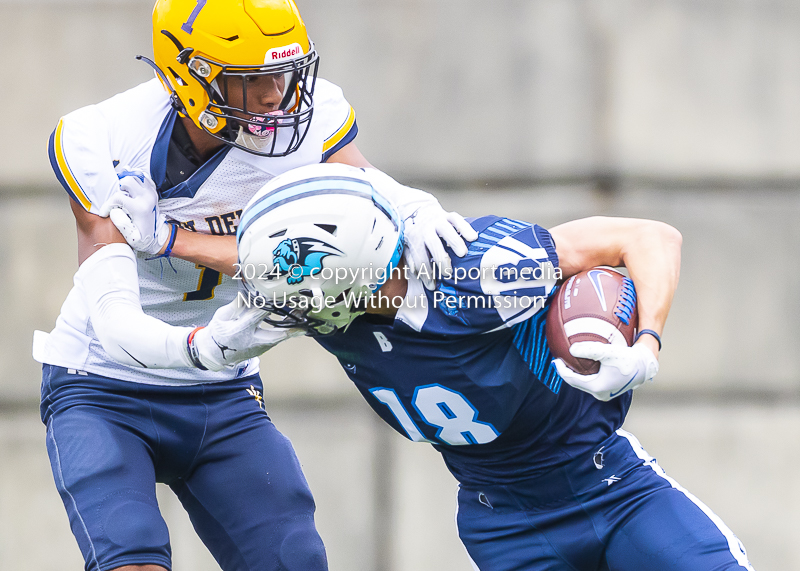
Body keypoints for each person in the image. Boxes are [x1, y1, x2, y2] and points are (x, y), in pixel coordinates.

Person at [33, 1, 475, 570]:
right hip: (103, 385)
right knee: (132, 559)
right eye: (253, 80)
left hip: (222, 389)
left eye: (285, 74)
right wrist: (200, 347)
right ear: (189, 78)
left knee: (293, 559)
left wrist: (409, 206)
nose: (277, 96)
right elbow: (114, 321)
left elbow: (354, 205)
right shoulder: (102, 138)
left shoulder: (311, 121)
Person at [234, 163, 756, 571]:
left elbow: (650, 237)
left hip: (611, 486)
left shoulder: (478, 273)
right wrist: (165, 239)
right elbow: (245, 265)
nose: (284, 302)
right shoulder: (333, 308)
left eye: (295, 280)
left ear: (344, 270)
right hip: (504, 523)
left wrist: (646, 344)